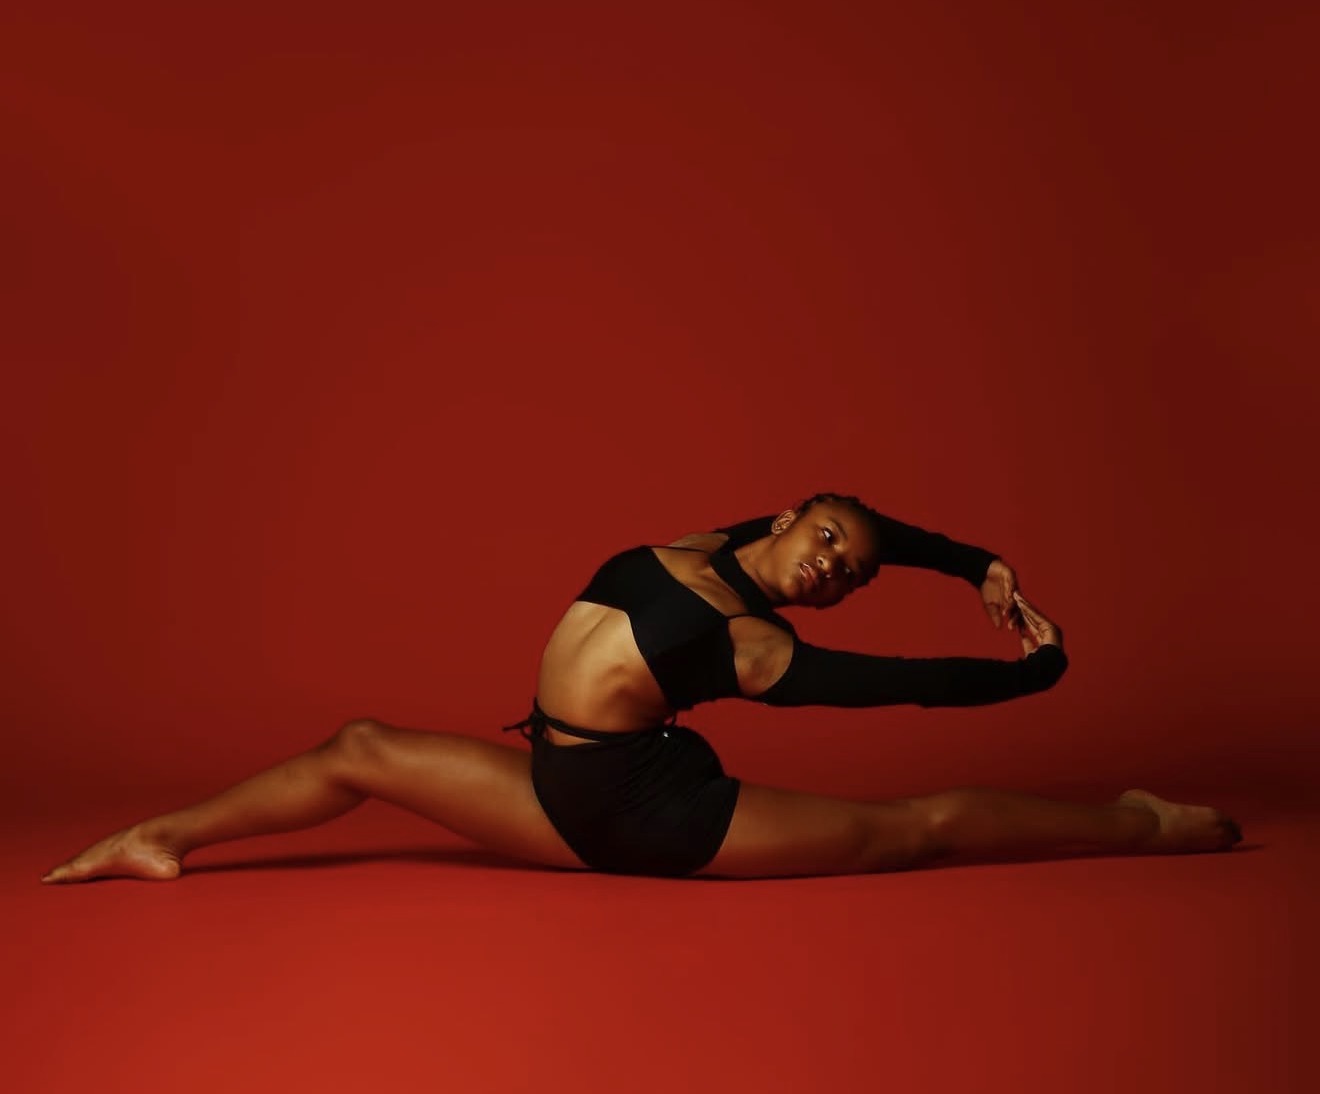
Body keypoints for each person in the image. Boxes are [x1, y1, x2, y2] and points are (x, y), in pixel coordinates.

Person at [41, 493, 1242, 884]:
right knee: (357, 740)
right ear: (789, 515)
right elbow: (882, 525)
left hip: (642, 814)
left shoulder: (755, 643)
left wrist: (1040, 671)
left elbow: (912, 685)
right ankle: (161, 835)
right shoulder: (716, 544)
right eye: (829, 539)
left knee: (910, 827)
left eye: (849, 574)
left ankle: (1142, 823)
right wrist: (974, 561)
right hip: (561, 780)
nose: (833, 564)